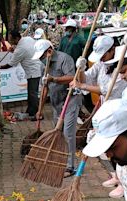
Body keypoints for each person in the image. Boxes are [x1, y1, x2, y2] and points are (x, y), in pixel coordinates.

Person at [69, 35, 127, 198]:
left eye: (104, 54)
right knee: (109, 147)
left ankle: (125, 184)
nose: (101, 58)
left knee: (120, 147)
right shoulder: (102, 64)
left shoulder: (121, 67)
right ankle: (116, 176)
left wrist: (81, 85)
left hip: (122, 111)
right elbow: (87, 77)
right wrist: (80, 69)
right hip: (106, 110)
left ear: (112, 50)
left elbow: (106, 89)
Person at [32, 40, 82, 177]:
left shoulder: (64, 59)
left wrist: (54, 79)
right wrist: (39, 109)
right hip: (57, 102)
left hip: (71, 99)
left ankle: (70, 166)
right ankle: (60, 161)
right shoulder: (44, 66)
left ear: (49, 51)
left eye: (42, 56)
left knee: (68, 134)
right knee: (58, 133)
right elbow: (44, 88)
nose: (42, 60)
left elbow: (72, 77)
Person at [0, 31, 43, 120]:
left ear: (16, 38)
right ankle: (31, 111)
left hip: (33, 71)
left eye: (12, 40)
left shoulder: (20, 49)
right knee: (31, 93)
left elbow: (11, 64)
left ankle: (36, 114)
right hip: (36, 68)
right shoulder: (27, 39)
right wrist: (14, 50)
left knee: (33, 94)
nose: (11, 42)